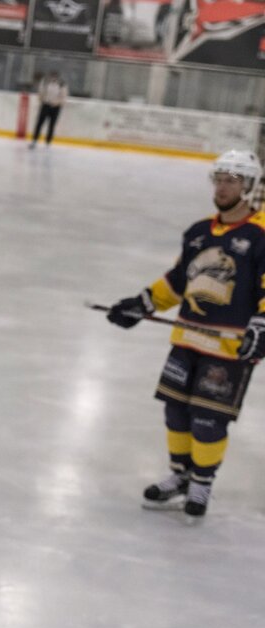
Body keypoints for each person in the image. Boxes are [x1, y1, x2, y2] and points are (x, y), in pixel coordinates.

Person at [106, 150, 265, 522]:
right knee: (175, 411)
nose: (222, 188)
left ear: (249, 186)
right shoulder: (198, 232)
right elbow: (178, 282)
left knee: (208, 420)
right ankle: (180, 476)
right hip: (187, 340)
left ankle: (201, 483)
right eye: (219, 179)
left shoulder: (260, 236)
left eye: (232, 181)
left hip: (228, 349)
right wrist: (142, 303)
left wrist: (262, 325)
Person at [29, 71, 68, 148]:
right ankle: (34, 140)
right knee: (39, 123)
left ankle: (48, 142)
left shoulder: (62, 84)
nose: (53, 78)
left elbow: (63, 96)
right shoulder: (45, 83)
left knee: (52, 125)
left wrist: (57, 103)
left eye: (55, 76)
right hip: (45, 105)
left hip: (56, 107)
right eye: (52, 76)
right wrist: (42, 101)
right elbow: (41, 92)